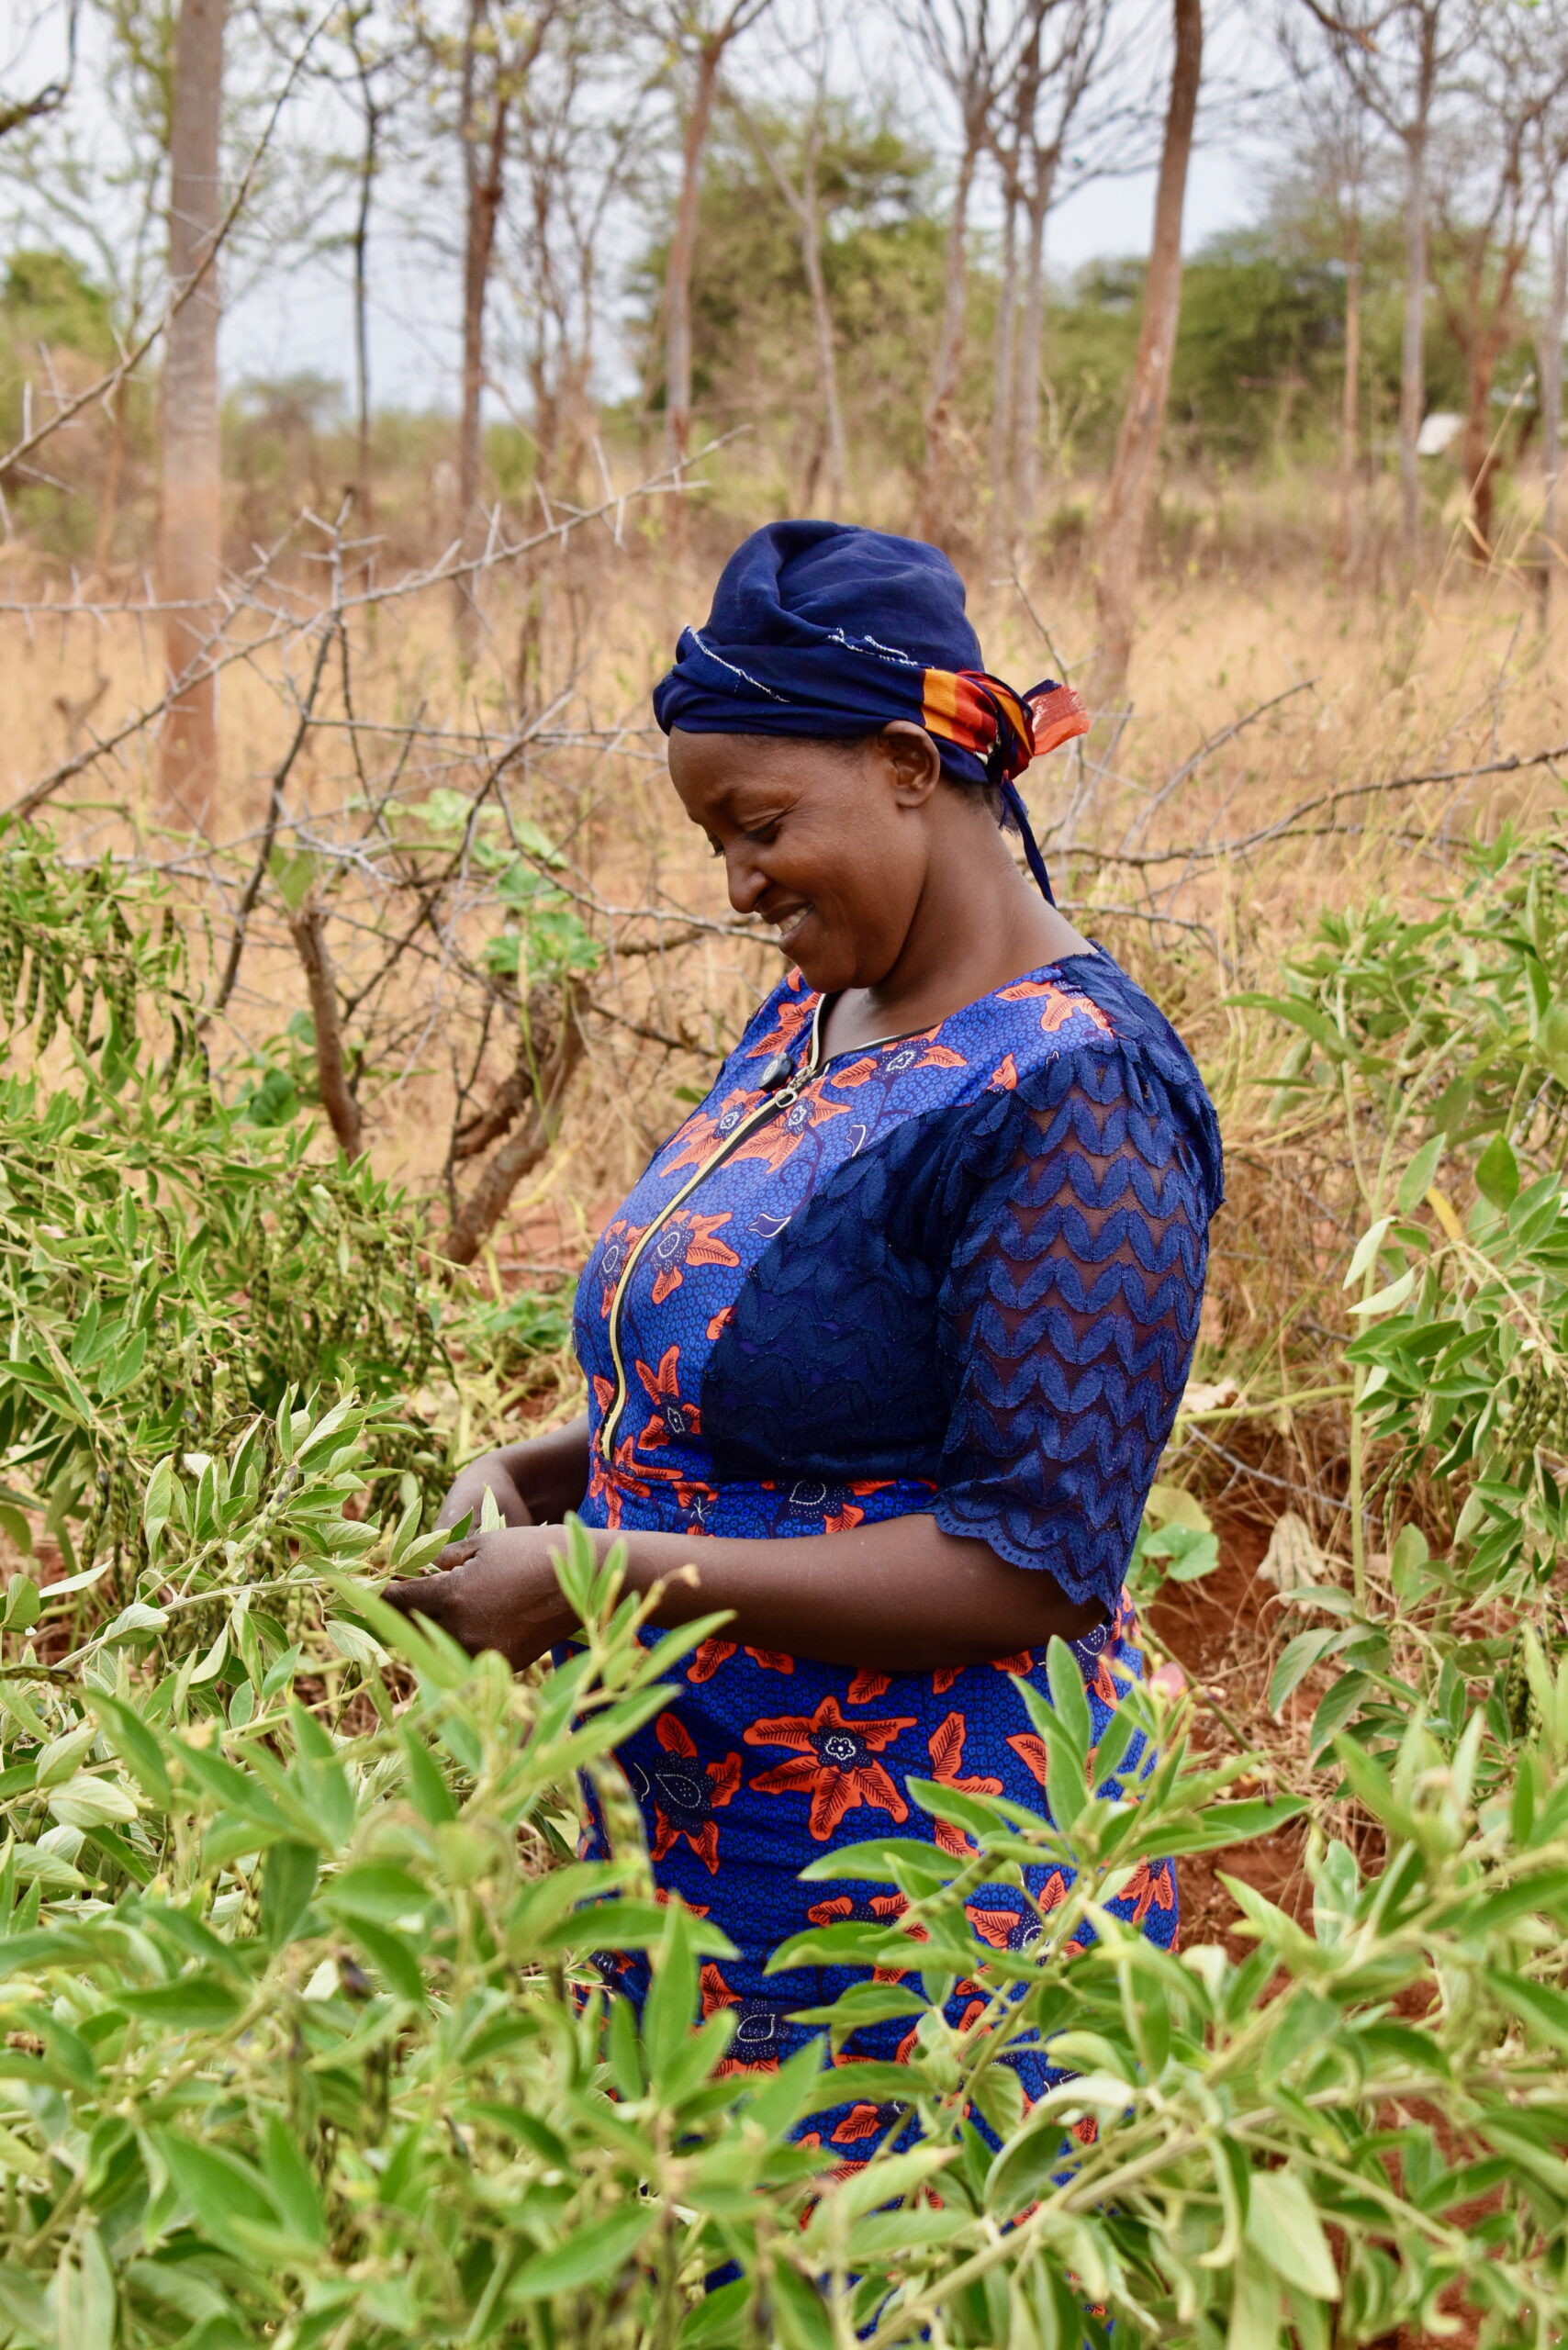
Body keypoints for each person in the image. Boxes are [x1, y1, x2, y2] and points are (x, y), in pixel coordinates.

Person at [386, 520, 1222, 2143]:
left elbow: (1031, 1562)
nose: (737, 883)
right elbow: (758, 1381)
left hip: (917, 1903)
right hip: (689, 1861)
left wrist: (593, 1572)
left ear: (909, 765)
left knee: (882, 2263)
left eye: (760, 826)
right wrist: (538, 1475)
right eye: (715, 838)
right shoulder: (822, 1010)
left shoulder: (1079, 1093)